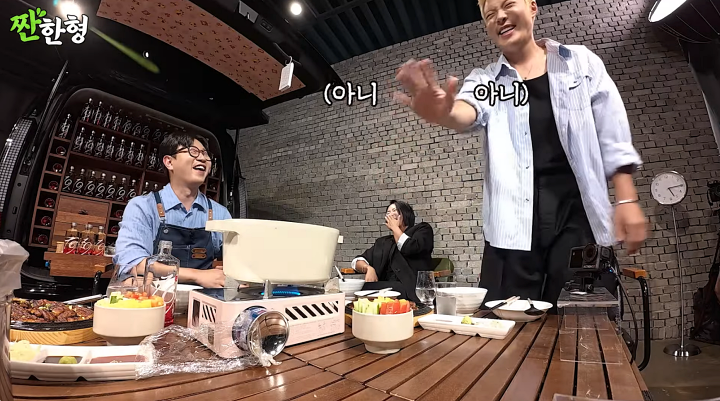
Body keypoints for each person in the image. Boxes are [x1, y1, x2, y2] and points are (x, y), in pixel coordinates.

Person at [393, 0, 647, 305]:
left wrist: (626, 198)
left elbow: (612, 131)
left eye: (508, 4)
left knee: (581, 323)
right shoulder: (486, 79)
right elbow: (466, 111)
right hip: (510, 229)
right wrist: (442, 112)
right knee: (505, 326)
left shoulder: (580, 63)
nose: (499, 17)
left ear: (532, 7)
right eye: (489, 15)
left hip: (577, 220)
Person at [113, 132, 232, 288]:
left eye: (205, 154)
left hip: (204, 298)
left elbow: (238, 261)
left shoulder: (220, 213)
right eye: (193, 151)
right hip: (155, 296)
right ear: (169, 162)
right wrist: (197, 275)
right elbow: (132, 262)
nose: (202, 158)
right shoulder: (143, 207)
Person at [352, 200, 434, 303]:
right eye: (388, 212)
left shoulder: (422, 230)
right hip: (384, 288)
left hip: (412, 289)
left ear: (405, 214)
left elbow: (409, 247)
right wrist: (368, 268)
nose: (390, 214)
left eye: (394, 211)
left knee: (366, 289)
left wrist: (395, 227)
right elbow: (358, 260)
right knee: (361, 288)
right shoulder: (383, 242)